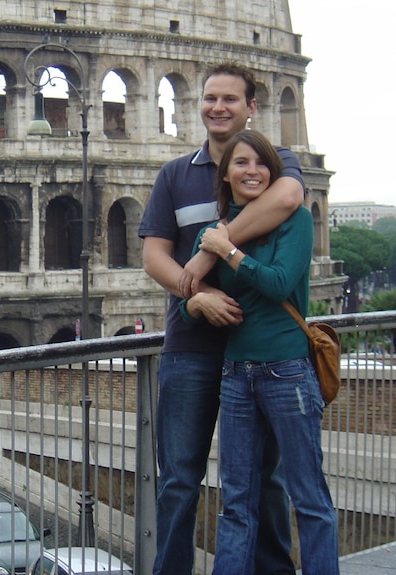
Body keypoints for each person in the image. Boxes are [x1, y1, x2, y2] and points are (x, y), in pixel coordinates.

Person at [138, 62, 304, 575]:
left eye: (230, 99)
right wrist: (199, 294)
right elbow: (153, 257)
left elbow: (291, 197)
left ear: (251, 106)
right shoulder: (174, 174)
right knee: (179, 479)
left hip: (257, 351)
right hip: (189, 345)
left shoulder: (274, 164)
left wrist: (209, 252)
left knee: (264, 479)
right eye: (210, 97)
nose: (217, 107)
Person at [181, 129, 339, 574]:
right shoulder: (213, 235)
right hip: (235, 376)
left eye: (261, 163)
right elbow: (187, 304)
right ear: (225, 175)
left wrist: (227, 252)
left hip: (287, 372)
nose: (253, 171)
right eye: (241, 164)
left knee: (308, 498)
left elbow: (277, 283)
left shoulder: (293, 222)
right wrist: (197, 301)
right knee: (236, 502)